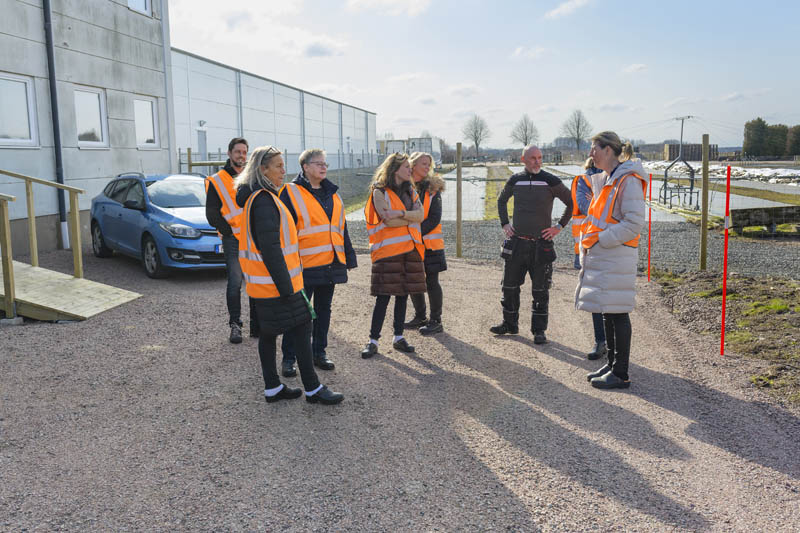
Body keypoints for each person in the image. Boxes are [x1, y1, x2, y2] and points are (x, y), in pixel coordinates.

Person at [234, 146, 343, 405]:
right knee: (302, 328)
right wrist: (287, 287)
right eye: (278, 166)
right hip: (278, 284)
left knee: (270, 334)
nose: (284, 170)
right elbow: (271, 248)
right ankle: (313, 389)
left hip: (265, 284)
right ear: (263, 169)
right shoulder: (263, 200)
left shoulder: (260, 197)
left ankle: (273, 388)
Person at [576, 131, 647, 390]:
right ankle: (613, 364)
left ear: (608, 150)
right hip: (606, 257)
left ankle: (621, 372)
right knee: (608, 310)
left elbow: (634, 223)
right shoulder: (608, 179)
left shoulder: (627, 180)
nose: (591, 153)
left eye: (594, 148)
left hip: (616, 256)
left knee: (618, 313)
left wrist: (602, 239)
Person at [278, 149, 358, 377]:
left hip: (330, 264)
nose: (323, 167)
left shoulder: (333, 195)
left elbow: (341, 228)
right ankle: (289, 358)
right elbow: (284, 231)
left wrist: (349, 257)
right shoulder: (290, 193)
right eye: (318, 163)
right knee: (298, 313)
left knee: (324, 310)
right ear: (305, 167)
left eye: (325, 163)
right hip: (302, 265)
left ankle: (319, 352)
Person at [490, 145, 573, 344]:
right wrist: (505, 223)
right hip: (517, 245)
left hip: (541, 246)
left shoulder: (550, 180)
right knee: (509, 287)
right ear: (523, 159)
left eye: (540, 157)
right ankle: (509, 324)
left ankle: (539, 331)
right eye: (533, 158)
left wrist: (558, 227)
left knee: (540, 290)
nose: (537, 161)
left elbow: (571, 203)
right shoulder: (515, 180)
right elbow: (501, 201)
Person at [360, 153, 427, 358]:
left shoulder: (411, 191)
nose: (410, 170)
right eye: (407, 167)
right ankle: (373, 341)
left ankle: (398, 337)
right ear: (395, 169)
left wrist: (399, 214)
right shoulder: (379, 192)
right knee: (383, 297)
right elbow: (387, 221)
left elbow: (421, 215)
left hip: (410, 251)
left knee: (402, 295)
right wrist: (410, 218)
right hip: (387, 252)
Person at [205, 137, 259, 344]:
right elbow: (211, 213)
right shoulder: (217, 180)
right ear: (229, 153)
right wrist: (228, 231)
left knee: (256, 281)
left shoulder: (252, 178)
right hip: (233, 240)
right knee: (235, 282)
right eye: (238, 151)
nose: (241, 155)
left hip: (253, 238)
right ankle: (235, 325)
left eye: (245, 152)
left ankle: (257, 325)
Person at [405, 152, 447, 335]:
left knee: (431, 282)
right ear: (412, 165)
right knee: (414, 280)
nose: (427, 167)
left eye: (428, 164)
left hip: (430, 244)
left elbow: (435, 217)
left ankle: (436, 321)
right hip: (411, 243)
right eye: (423, 163)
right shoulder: (403, 187)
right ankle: (420, 316)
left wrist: (416, 234)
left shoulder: (433, 188)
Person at [571, 157, 607, 360]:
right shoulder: (584, 180)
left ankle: (603, 342)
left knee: (599, 296)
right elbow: (587, 208)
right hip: (591, 243)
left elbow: (589, 205)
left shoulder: (616, 179)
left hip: (594, 244)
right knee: (600, 295)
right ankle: (603, 342)